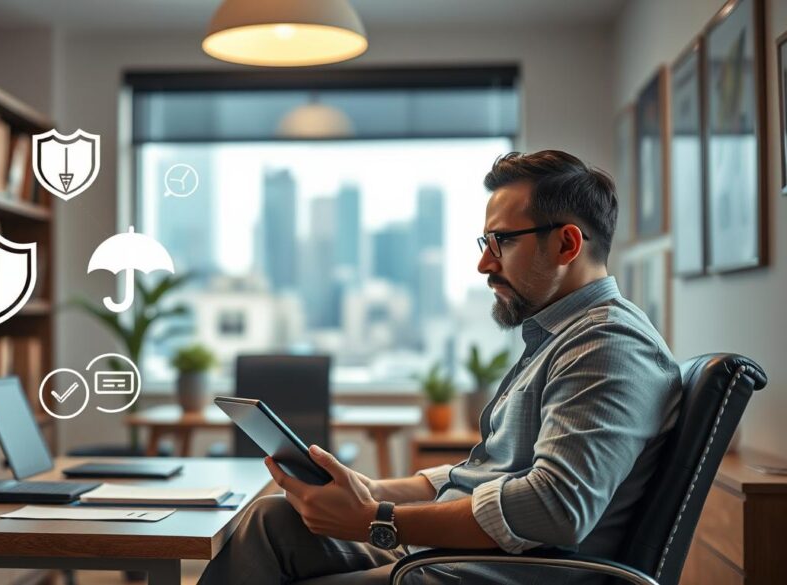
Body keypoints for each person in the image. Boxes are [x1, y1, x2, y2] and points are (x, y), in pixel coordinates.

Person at [197, 150, 682, 585]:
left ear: (567, 245)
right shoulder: (561, 337)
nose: (484, 265)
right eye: (484, 243)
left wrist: (375, 518)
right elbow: (488, 470)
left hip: (488, 574)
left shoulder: (607, 345)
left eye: (502, 242)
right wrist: (374, 490)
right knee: (270, 520)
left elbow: (554, 508)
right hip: (453, 557)